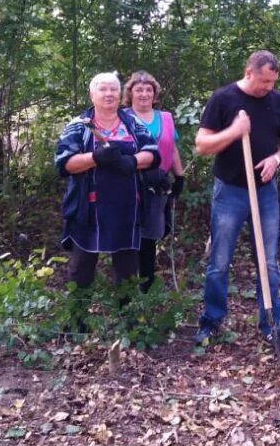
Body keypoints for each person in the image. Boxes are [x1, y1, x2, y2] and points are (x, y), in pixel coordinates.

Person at [192, 51, 280, 348]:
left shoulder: (277, 101)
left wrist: (277, 159)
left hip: (265, 193)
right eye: (264, 81)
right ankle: (211, 322)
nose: (268, 88)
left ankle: (271, 324)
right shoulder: (223, 99)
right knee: (220, 260)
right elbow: (202, 145)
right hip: (230, 192)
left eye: (273, 82)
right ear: (248, 72)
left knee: (269, 262)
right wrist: (234, 132)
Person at [54, 72, 162, 329]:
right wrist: (95, 158)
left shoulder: (132, 122)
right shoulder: (79, 126)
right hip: (88, 210)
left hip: (127, 209)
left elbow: (152, 152)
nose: (109, 94)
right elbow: (64, 164)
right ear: (92, 94)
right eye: (103, 89)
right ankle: (76, 323)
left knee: (127, 269)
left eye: (113, 89)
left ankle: (128, 323)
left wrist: (132, 161)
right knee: (82, 269)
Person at [123, 70, 186, 291]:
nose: (144, 94)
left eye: (148, 89)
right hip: (129, 184)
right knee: (131, 233)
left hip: (158, 186)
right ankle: (128, 283)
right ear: (130, 93)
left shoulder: (165, 118)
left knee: (153, 233)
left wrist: (179, 176)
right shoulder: (122, 118)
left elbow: (172, 148)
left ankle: (146, 285)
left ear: (154, 93)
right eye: (138, 89)